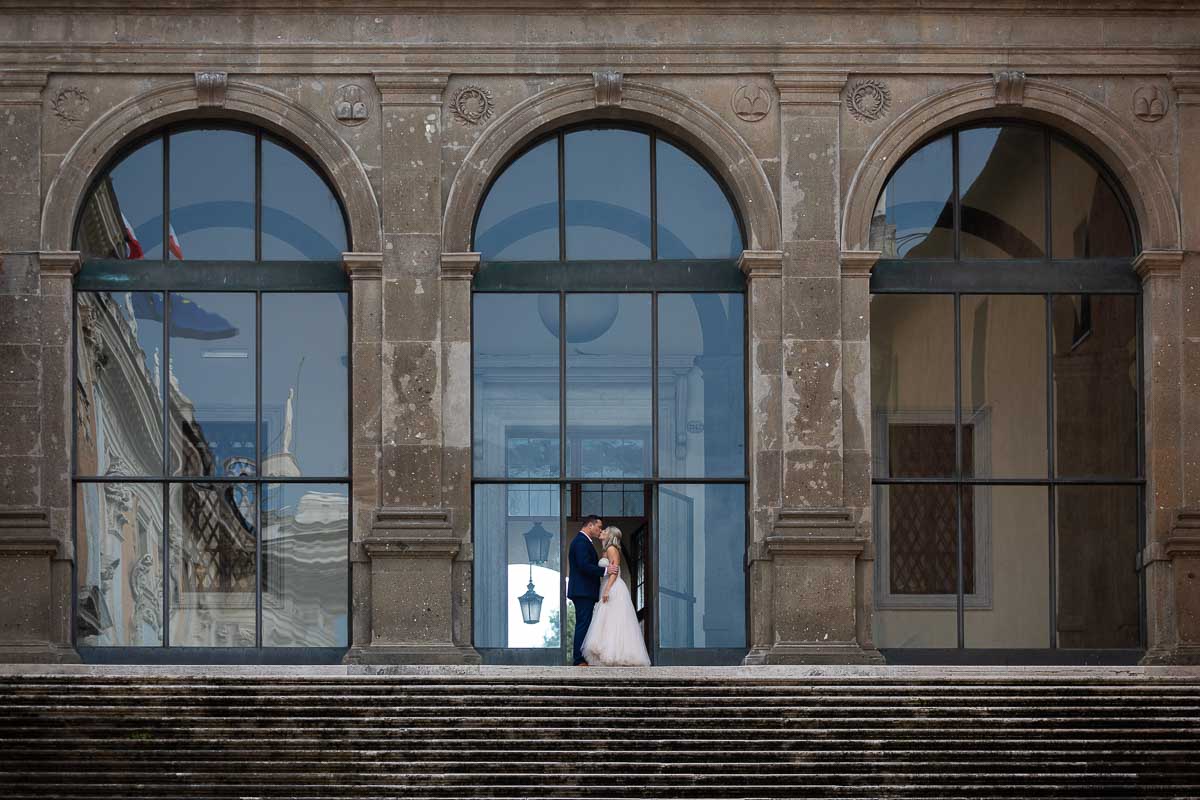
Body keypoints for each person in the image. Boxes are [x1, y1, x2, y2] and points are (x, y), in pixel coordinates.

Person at [582, 526, 651, 667]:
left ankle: (615, 654)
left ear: (611, 535)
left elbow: (615, 571)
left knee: (613, 620)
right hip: (608, 585)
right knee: (608, 621)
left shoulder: (611, 548)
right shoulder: (607, 549)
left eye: (605, 531)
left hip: (613, 587)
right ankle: (608, 653)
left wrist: (607, 589)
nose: (602, 532)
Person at [567, 515, 618, 666]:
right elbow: (584, 565)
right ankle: (579, 659)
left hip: (584, 591)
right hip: (583, 591)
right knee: (583, 623)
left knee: (586, 622)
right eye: (599, 527)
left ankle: (582, 657)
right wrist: (605, 571)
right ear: (590, 525)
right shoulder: (581, 542)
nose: (600, 530)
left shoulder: (583, 541)